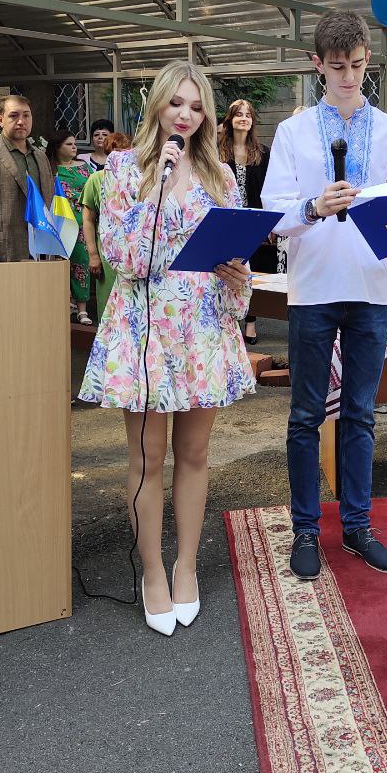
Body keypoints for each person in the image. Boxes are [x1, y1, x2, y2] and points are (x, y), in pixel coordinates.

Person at [262, 10, 387, 581]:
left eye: (356, 65)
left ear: (369, 59)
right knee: (304, 415)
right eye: (337, 66)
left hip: (370, 288)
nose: (348, 77)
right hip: (313, 289)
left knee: (361, 414)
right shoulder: (294, 132)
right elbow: (273, 213)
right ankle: (304, 529)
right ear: (317, 64)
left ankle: (357, 526)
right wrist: (314, 206)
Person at [79, 61, 255, 635]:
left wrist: (238, 279)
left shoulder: (220, 175)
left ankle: (186, 567)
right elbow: (124, 256)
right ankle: (152, 571)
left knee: (195, 454)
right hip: (145, 329)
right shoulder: (123, 168)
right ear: (157, 103)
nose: (186, 114)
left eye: (197, 106)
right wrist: (157, 187)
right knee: (147, 457)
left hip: (202, 327)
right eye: (177, 102)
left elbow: (237, 259)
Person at [0, 94, 55, 263]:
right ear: (0, 120)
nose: (21, 121)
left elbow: (50, 204)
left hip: (42, 254)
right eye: (13, 115)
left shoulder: (40, 157)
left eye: (26, 115)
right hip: (1, 254)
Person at [217, 99, 272, 343]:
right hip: (226, 219)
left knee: (253, 269)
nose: (243, 118)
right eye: (239, 114)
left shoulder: (262, 152)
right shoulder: (217, 151)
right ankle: (227, 318)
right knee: (227, 267)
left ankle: (251, 322)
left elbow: (269, 187)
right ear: (230, 120)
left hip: (253, 218)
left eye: (248, 115)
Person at [81, 132, 132, 322]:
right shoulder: (96, 179)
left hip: (134, 253)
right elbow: (88, 219)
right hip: (107, 254)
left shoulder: (139, 178)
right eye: (115, 153)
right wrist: (93, 255)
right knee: (108, 312)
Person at [46, 129, 92, 324]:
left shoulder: (84, 167)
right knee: (60, 263)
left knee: (82, 262)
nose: (74, 147)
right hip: (59, 221)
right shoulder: (49, 169)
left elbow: (94, 191)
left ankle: (82, 309)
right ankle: (64, 304)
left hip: (83, 222)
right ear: (57, 147)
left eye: (75, 144)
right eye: (69, 144)